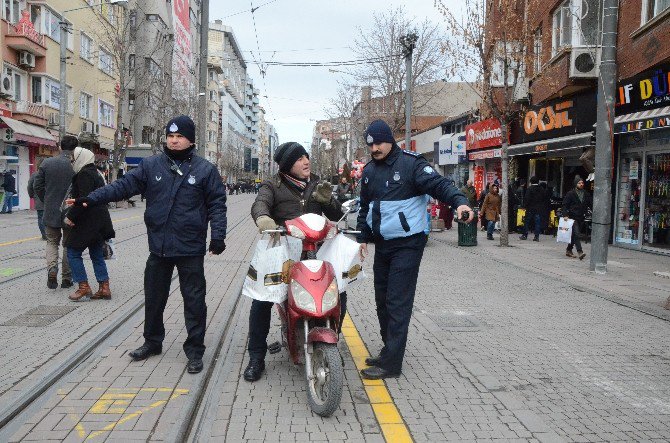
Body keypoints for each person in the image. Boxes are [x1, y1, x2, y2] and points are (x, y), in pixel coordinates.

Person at [69, 115, 227, 374]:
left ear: (190, 140)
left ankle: (195, 351)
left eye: (180, 137)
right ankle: (152, 342)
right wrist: (91, 198)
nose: (174, 141)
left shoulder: (205, 170)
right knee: (154, 298)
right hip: (159, 246)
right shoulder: (151, 166)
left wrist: (218, 235)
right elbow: (122, 186)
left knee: (194, 301)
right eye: (171, 136)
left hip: (190, 248)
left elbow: (217, 205)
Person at [356, 120, 472, 380]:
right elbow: (365, 207)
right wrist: (362, 237)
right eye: (370, 144)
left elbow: (440, 185)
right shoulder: (369, 171)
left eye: (378, 143)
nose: (374, 148)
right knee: (382, 301)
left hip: (408, 244)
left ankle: (392, 365)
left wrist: (460, 203)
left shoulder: (412, 164)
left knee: (397, 302)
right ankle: (389, 351)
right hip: (383, 244)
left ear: (390, 140)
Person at [245, 142, 344, 382]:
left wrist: (328, 200)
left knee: (338, 289)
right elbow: (260, 203)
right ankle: (256, 357)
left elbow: (337, 214)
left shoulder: (318, 184)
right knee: (263, 299)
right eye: (299, 159)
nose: (306, 161)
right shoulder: (272, 185)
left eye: (306, 157)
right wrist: (264, 218)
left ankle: (329, 335)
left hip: (314, 250)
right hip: (283, 251)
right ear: (288, 166)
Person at [63, 148, 115, 302]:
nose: (72, 160)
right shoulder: (97, 173)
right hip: (100, 220)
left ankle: (83, 286)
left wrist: (70, 217)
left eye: (73, 157)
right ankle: (104, 287)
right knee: (96, 254)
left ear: (81, 158)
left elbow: (85, 200)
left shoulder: (84, 174)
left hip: (88, 221)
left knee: (72, 251)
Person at [34, 136, 76, 289]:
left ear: (59, 146)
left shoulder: (47, 163)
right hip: (70, 212)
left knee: (52, 242)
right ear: (75, 149)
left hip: (51, 210)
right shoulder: (75, 166)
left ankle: (52, 268)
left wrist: (47, 201)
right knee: (67, 244)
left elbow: (37, 185)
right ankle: (67, 278)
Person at [562, 175, 592, 260]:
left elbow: (590, 204)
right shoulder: (571, 194)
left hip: (581, 217)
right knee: (577, 234)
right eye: (579, 183)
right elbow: (565, 205)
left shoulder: (586, 194)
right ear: (576, 184)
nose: (581, 184)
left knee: (574, 235)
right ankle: (580, 252)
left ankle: (569, 250)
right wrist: (565, 215)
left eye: (582, 182)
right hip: (572, 217)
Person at [519, 176, 544, 241]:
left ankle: (525, 235)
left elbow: (527, 199)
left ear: (530, 182)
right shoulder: (541, 189)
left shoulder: (530, 189)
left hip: (530, 208)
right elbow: (543, 198)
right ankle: (536, 236)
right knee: (537, 222)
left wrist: (524, 206)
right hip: (538, 208)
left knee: (527, 222)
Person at [28, 166, 47, 239]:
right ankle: (49, 234)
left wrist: (32, 195)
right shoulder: (50, 174)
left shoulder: (35, 174)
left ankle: (44, 235)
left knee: (41, 217)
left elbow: (30, 186)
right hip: (49, 199)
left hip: (39, 199)